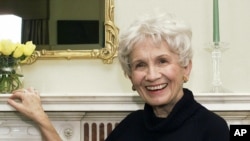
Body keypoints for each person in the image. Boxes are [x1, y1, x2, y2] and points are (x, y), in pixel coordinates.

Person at [8, 12, 230, 141]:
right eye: (140, 65)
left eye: (162, 61)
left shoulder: (213, 130)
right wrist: (41, 118)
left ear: (186, 69)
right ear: (130, 77)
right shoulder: (131, 128)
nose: (152, 75)